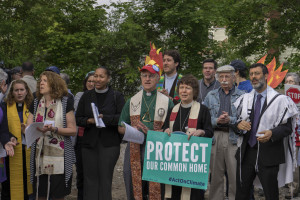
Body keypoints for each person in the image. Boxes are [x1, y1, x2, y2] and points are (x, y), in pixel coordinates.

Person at [234, 63, 298, 200]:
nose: (253, 77)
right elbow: (235, 123)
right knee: (242, 193)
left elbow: (288, 128)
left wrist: (272, 133)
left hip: (269, 153)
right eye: (251, 74)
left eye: (257, 73)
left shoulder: (280, 100)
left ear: (266, 76)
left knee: (271, 193)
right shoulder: (244, 99)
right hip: (246, 153)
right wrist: (238, 124)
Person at [118, 59, 174, 200]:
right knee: (131, 177)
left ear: (157, 78)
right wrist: (132, 129)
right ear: (141, 78)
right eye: (144, 76)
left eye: (151, 76)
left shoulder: (167, 101)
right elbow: (120, 127)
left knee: (156, 183)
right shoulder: (132, 101)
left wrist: (162, 132)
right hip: (135, 146)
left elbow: (173, 127)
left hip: (158, 148)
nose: (147, 79)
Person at [75, 67, 125, 200]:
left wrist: (105, 118)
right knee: (90, 180)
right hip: (89, 144)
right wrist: (90, 120)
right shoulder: (87, 96)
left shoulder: (117, 96)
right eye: (96, 76)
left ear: (108, 78)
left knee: (105, 179)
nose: (97, 79)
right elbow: (78, 118)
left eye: (101, 76)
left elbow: (123, 118)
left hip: (109, 144)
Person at [27, 71, 76, 200]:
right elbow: (28, 126)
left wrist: (54, 129)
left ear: (54, 84)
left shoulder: (65, 102)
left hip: (60, 156)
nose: (41, 83)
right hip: (39, 155)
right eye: (40, 81)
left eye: (45, 81)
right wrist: (27, 129)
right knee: (40, 194)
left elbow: (73, 130)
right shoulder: (36, 101)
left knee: (57, 195)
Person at [163, 74, 213, 200]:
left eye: (188, 88)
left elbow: (209, 131)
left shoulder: (203, 110)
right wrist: (166, 130)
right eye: (181, 87)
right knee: (174, 192)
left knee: (193, 195)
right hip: (174, 161)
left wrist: (201, 132)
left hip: (192, 163)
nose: (184, 91)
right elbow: (164, 128)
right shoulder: (172, 109)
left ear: (194, 91)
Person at [203, 65, 244, 200]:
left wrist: (230, 119)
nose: (224, 79)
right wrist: (217, 121)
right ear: (217, 78)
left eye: (227, 76)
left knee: (234, 174)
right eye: (221, 76)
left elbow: (245, 120)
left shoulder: (242, 96)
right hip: (216, 136)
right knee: (215, 175)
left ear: (233, 77)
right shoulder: (211, 95)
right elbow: (205, 119)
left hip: (234, 137)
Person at [0, 80, 33, 200]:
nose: (19, 93)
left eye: (22, 90)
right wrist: (10, 137)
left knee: (27, 183)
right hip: (11, 150)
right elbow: (2, 129)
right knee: (9, 187)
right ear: (12, 92)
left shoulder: (33, 106)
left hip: (29, 151)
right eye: (16, 90)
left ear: (26, 91)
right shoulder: (4, 106)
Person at [73, 71, 94, 200]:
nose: (91, 84)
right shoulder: (80, 95)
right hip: (80, 139)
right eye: (89, 81)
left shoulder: (102, 96)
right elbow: (77, 114)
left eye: (93, 81)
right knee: (81, 173)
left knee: (92, 174)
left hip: (95, 140)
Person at [284, 72, 300, 199]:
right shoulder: (283, 98)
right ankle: (292, 189)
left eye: (291, 82)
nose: (289, 84)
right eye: (287, 81)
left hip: (298, 136)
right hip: (290, 137)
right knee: (291, 163)